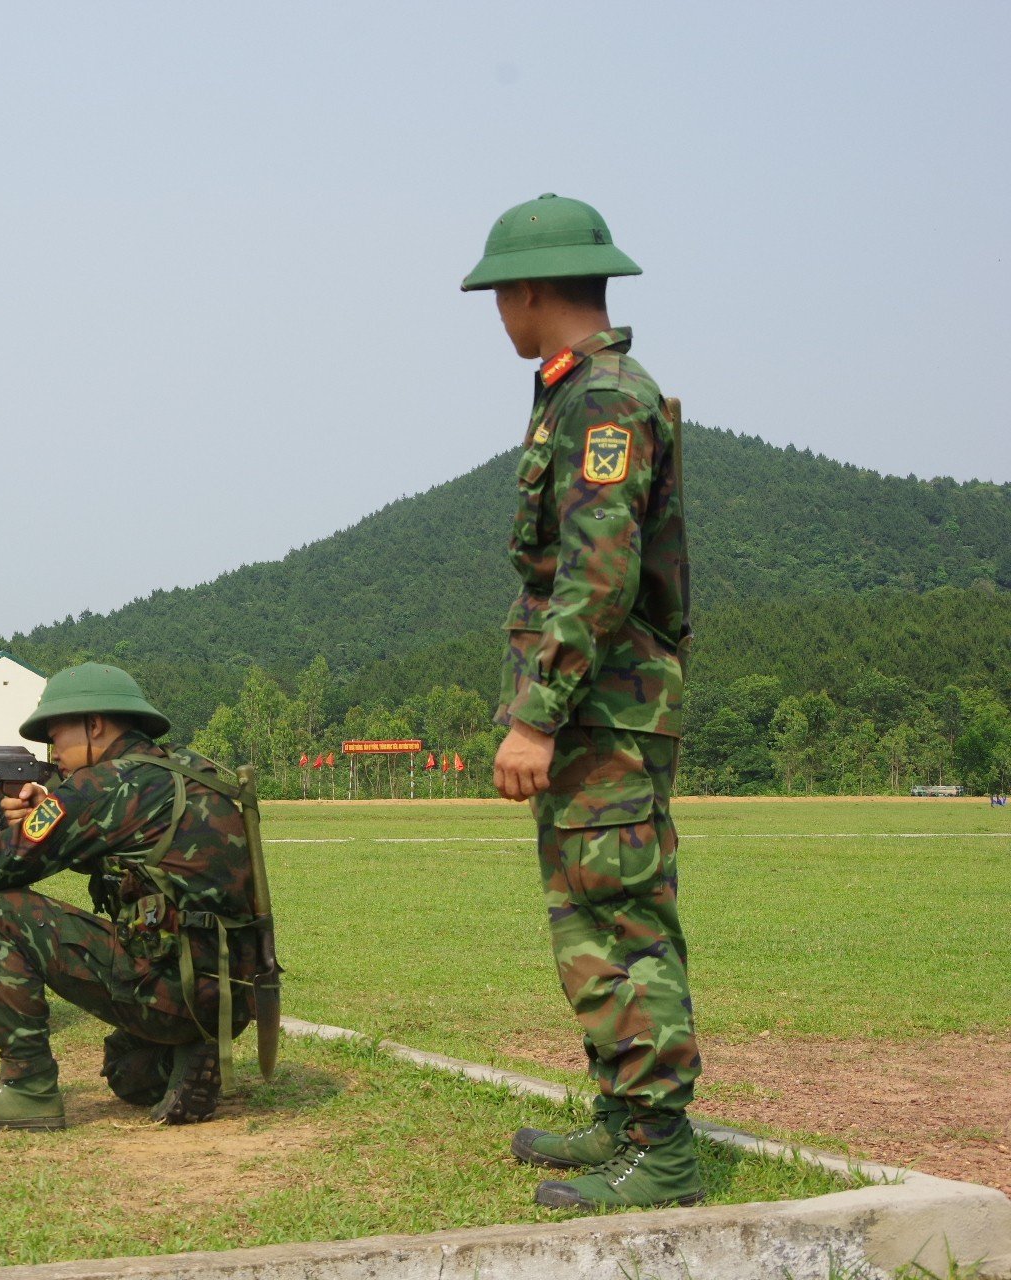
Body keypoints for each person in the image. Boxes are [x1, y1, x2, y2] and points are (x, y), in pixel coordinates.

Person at [463, 193, 701, 1209]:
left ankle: (662, 1146)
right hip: (598, 708)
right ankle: (622, 1114)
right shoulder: (574, 394)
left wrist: (537, 711)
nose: (498, 314)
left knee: (618, 916)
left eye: (499, 296)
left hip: (602, 708)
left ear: (525, 292)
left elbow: (598, 576)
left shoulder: (603, 400)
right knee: (594, 917)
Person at [0, 662, 263, 1131]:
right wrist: (55, 814)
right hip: (231, 991)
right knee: (130, 1075)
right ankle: (190, 1041)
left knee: (2, 913)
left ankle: (28, 1088)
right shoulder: (193, 770)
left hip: (170, 989)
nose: (52, 751)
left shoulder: (98, 786)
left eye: (56, 734)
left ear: (95, 724)